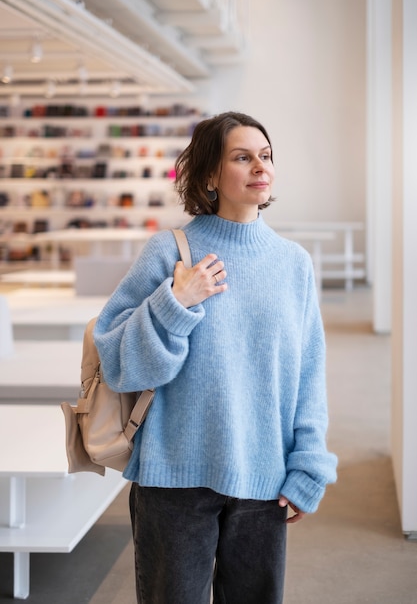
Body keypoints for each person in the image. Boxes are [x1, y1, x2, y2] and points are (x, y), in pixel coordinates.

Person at [94, 111, 338, 604]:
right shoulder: (170, 252)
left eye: (265, 156)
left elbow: (308, 373)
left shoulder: (293, 264)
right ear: (209, 175)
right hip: (173, 481)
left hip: (263, 480)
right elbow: (119, 364)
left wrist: (309, 462)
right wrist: (175, 302)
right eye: (242, 157)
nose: (259, 167)